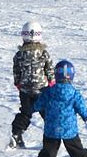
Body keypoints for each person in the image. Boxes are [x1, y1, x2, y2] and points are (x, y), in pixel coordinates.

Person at [29, 59, 87, 157]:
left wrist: (32, 108)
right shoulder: (74, 93)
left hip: (51, 130)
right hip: (69, 130)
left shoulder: (49, 92)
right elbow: (82, 108)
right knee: (78, 152)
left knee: (47, 154)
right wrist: (85, 115)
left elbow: (38, 105)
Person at [10, 20, 54, 148]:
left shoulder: (19, 54)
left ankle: (17, 134)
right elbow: (49, 69)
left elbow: (16, 70)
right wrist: (51, 82)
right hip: (42, 90)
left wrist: (17, 83)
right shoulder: (43, 53)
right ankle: (52, 138)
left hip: (25, 90)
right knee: (47, 113)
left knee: (25, 113)